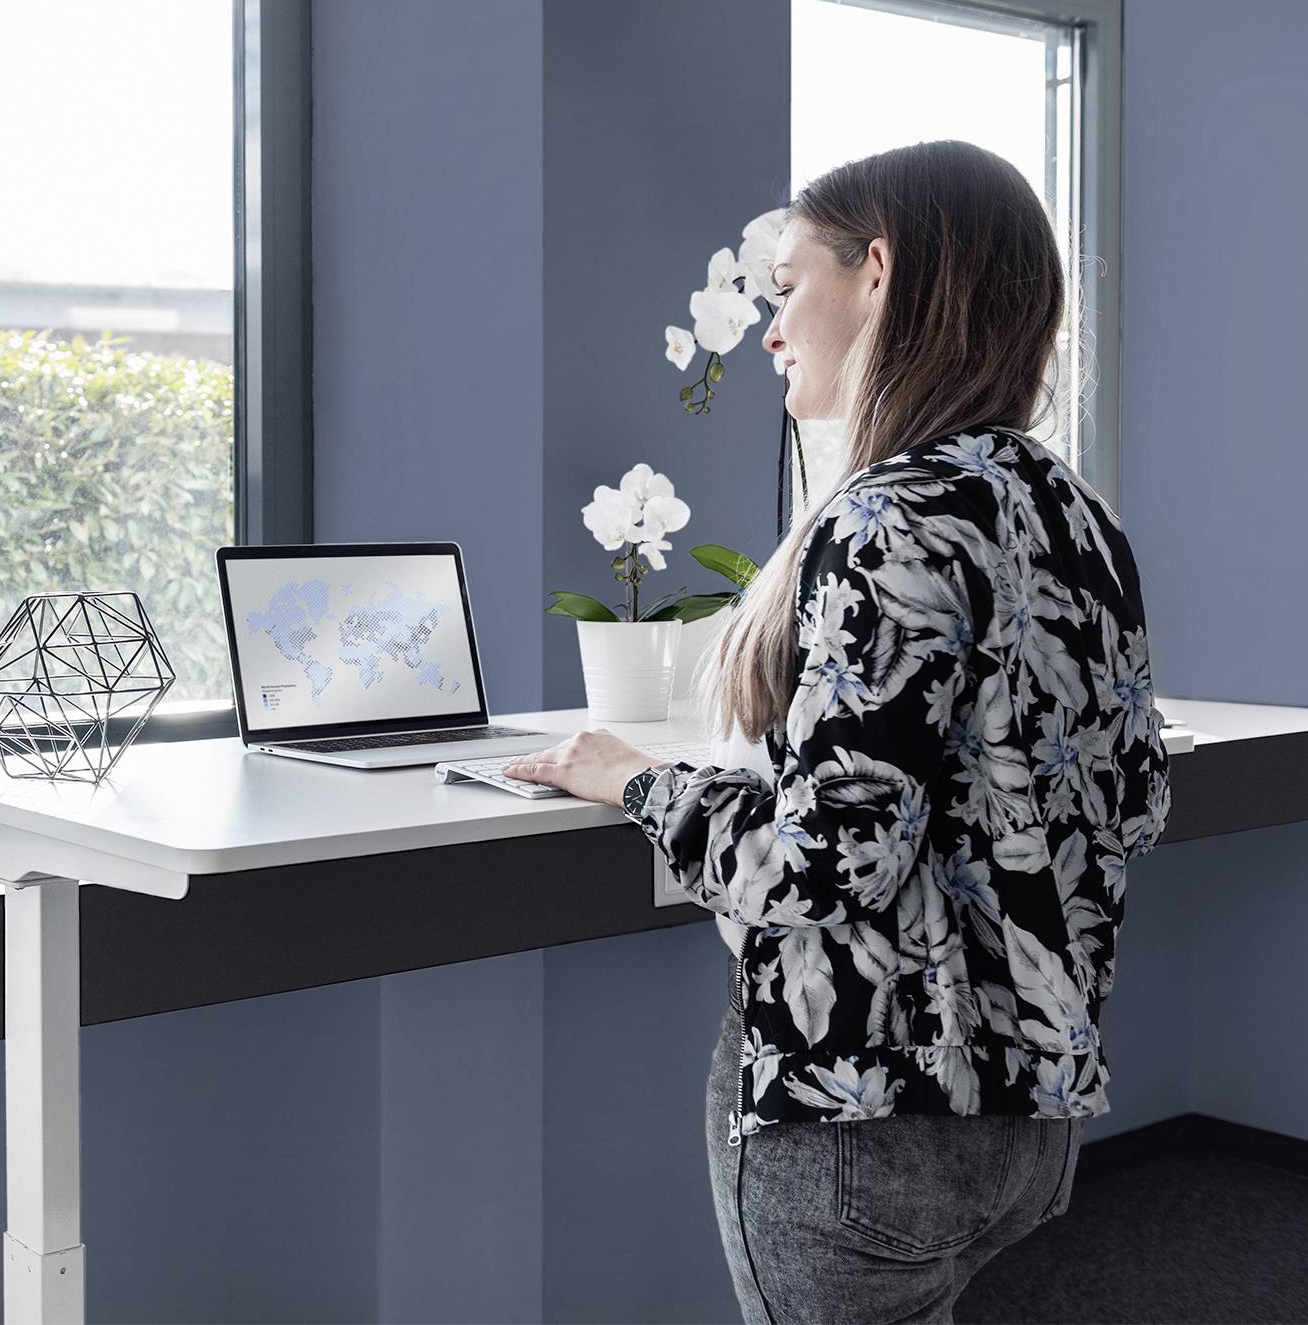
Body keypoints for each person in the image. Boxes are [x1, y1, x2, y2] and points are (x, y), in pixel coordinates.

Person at [502, 139, 1172, 1324]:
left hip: (864, 1122)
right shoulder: (1075, 513)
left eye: (785, 285)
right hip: (1029, 1124)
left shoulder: (885, 519)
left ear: (877, 271)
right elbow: (1133, 799)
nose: (769, 328)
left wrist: (639, 784)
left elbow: (824, 864)